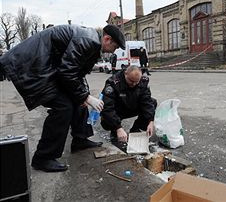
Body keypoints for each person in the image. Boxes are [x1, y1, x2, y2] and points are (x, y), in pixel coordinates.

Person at [0, 24, 125, 172]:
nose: (114, 51)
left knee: (78, 101)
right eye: (115, 46)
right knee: (63, 108)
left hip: (46, 66)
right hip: (32, 66)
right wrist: (86, 97)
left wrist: (84, 96)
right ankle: (43, 158)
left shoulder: (92, 41)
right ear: (107, 39)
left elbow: (76, 73)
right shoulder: (88, 41)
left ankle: (80, 139)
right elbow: (67, 73)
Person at [100, 65, 157, 149]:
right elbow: (107, 107)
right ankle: (115, 131)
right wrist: (118, 127)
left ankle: (136, 129)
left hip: (133, 106)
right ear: (125, 73)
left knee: (152, 102)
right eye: (131, 81)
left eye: (136, 82)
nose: (134, 84)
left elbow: (147, 102)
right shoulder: (113, 83)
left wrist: (150, 121)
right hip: (119, 110)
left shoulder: (143, 81)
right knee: (106, 121)